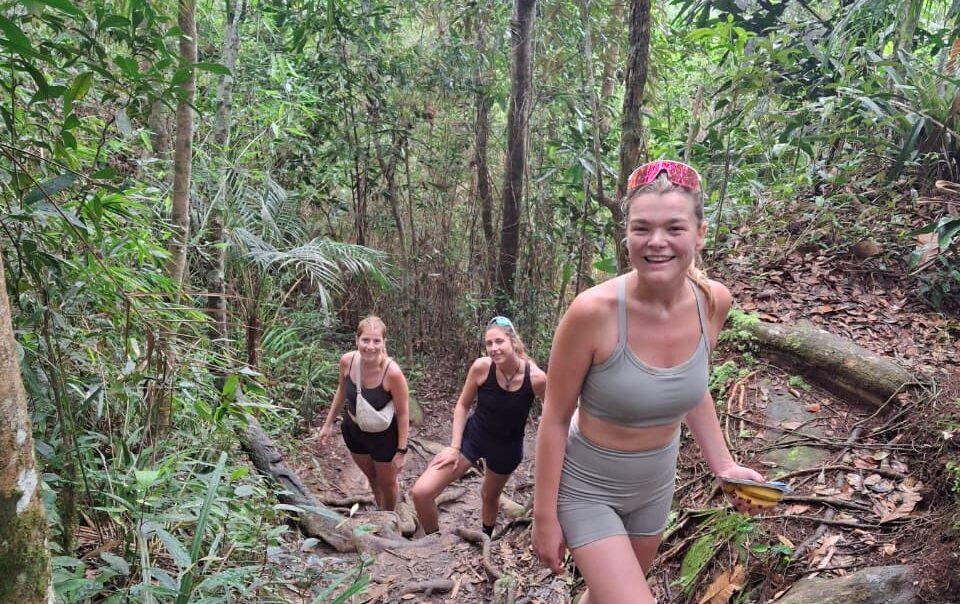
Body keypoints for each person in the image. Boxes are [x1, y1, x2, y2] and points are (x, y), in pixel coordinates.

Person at [532, 160, 764, 603]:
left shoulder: (712, 302)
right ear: (627, 236)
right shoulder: (592, 313)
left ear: (700, 233)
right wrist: (545, 517)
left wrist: (725, 467)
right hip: (587, 488)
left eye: (674, 228)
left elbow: (689, 390)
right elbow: (555, 419)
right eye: (642, 229)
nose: (656, 242)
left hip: (654, 488)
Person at [411, 316, 546, 536]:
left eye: (499, 341)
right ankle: (434, 540)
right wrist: (454, 446)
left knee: (489, 496)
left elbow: (552, 414)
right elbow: (463, 405)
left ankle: (485, 538)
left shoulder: (537, 378)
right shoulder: (482, 367)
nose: (493, 348)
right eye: (489, 343)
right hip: (474, 437)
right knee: (421, 492)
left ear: (513, 341)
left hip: (507, 447)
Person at [319, 316, 409, 511]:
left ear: (384, 342)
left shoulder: (392, 373)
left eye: (376, 341)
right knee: (372, 478)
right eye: (365, 340)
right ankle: (380, 513)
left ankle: (390, 517)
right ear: (357, 340)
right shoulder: (347, 362)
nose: (370, 346)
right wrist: (328, 423)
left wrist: (401, 451)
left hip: (385, 437)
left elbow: (403, 414)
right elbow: (342, 392)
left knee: (388, 483)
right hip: (354, 431)